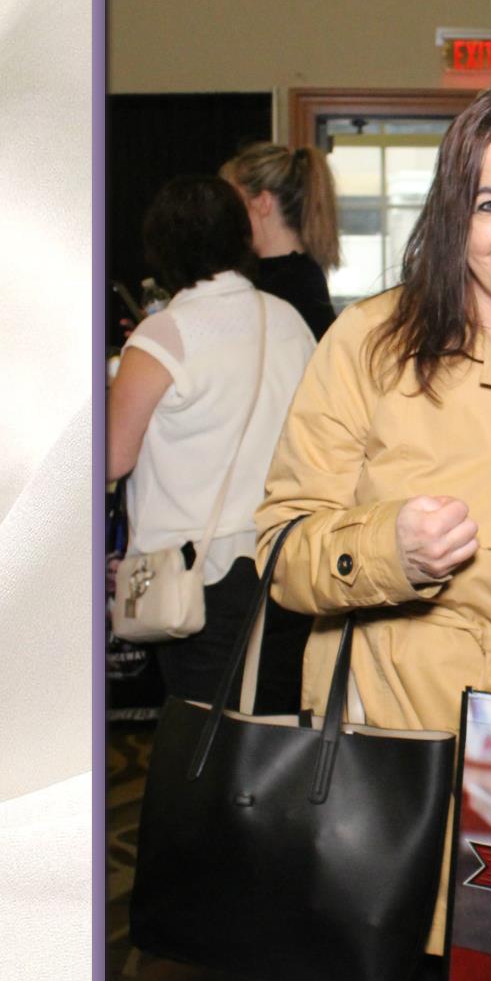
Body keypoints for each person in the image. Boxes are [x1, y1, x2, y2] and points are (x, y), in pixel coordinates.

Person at [255, 79, 491, 981]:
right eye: (487, 203)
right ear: (452, 214)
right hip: (401, 792)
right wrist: (390, 550)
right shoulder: (372, 343)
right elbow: (283, 547)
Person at [107, 176, 316, 711]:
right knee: (273, 735)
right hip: (286, 560)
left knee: (201, 744)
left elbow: (111, 457)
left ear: (161, 248)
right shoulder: (287, 318)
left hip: (199, 574)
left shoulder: (163, 336)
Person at [222, 141, 340, 340]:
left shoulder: (287, 285)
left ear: (263, 203)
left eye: (236, 202)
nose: (229, 214)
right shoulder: (302, 277)